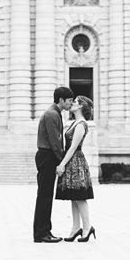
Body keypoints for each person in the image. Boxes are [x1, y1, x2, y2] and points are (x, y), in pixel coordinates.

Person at [33, 86, 75, 243]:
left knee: (46, 195)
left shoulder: (54, 113)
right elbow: (54, 141)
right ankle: (41, 233)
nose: (71, 104)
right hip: (47, 155)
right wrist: (62, 161)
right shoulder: (52, 115)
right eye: (69, 101)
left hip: (47, 155)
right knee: (45, 195)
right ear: (61, 100)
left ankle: (44, 231)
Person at [56, 96, 96, 242]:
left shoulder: (81, 124)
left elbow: (73, 147)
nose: (72, 104)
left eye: (75, 102)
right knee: (74, 196)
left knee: (80, 196)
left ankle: (87, 227)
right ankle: (75, 227)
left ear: (80, 107)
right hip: (73, 162)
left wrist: (62, 164)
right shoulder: (75, 122)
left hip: (76, 162)